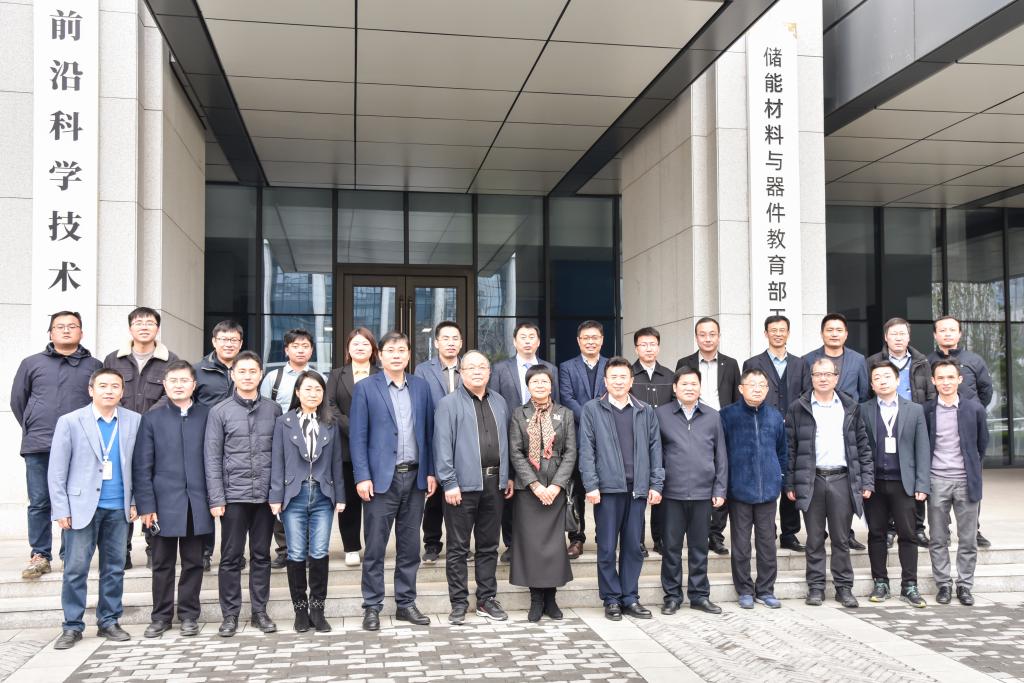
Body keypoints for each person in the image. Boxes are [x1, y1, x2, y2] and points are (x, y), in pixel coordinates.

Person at [48, 368, 141, 650]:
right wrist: (61, 508)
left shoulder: (134, 420)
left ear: (122, 391)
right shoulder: (70, 421)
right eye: (103, 386)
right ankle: (72, 626)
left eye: (115, 386)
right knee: (75, 569)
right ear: (91, 390)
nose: (109, 391)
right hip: (80, 508)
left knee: (114, 569)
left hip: (118, 508)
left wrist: (135, 501)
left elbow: (140, 466)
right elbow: (57, 469)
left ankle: (109, 621)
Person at [350, 332, 436, 632]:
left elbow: (428, 433)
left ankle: (405, 603)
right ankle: (372, 606)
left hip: (415, 478)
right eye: (391, 350)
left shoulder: (421, 387)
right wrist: (362, 476)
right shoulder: (365, 388)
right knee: (375, 547)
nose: (397, 355)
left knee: (410, 547)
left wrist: (430, 471)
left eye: (402, 350)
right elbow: (358, 437)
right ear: (380, 355)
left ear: (409, 355)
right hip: (380, 481)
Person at [11, 311, 102, 580]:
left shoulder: (94, 365)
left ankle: (69, 553)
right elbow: (18, 401)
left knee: (74, 499)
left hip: (80, 445)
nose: (66, 330)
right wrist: (33, 425)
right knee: (40, 501)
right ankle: (40, 554)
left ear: (81, 332)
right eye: (59, 326)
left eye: (72, 326)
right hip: (39, 444)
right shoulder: (31, 363)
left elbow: (100, 403)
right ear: (50, 332)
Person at [578, 356, 664, 621]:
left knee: (633, 547)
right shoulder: (593, 409)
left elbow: (655, 449)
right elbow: (587, 450)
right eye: (613, 377)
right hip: (606, 490)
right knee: (606, 548)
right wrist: (591, 485)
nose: (618, 381)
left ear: (631, 380)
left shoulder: (644, 410)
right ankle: (611, 599)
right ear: (605, 381)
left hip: (636, 489)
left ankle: (630, 597)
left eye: (623, 377)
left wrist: (656, 483)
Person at [204, 350, 282, 637]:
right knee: (230, 557)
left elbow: (280, 455)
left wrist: (277, 493)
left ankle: (260, 612)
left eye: (253, 371)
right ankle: (230, 615)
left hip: (264, 497)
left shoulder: (274, 410)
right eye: (242, 371)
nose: (247, 376)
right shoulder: (219, 411)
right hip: (233, 497)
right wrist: (216, 498)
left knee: (262, 555)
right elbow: (212, 457)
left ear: (261, 375)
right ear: (232, 375)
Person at [132, 360, 213, 638]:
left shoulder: (208, 415)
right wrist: (146, 505)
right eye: (173, 381)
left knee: (194, 562)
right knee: (162, 564)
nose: (179, 385)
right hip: (162, 504)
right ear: (165, 385)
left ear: (194, 385)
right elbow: (142, 467)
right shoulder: (151, 419)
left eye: (184, 380)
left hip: (197, 503)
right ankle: (161, 617)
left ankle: (189, 615)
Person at [786, 357, 873, 609]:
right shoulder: (798, 407)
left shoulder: (850, 406)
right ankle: (815, 587)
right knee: (814, 539)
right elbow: (790, 449)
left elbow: (863, 447)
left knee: (841, 538)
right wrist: (790, 483)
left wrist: (866, 481)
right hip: (811, 479)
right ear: (811, 378)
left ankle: (844, 588)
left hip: (842, 479)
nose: (823, 378)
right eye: (818, 374)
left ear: (836, 378)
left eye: (828, 374)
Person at [433, 350, 511, 625]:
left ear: (489, 372)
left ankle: (486, 599)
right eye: (471, 367)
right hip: (462, 486)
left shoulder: (499, 401)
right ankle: (458, 602)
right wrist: (449, 482)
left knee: (489, 545)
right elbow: (442, 446)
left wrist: (508, 476)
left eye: (482, 367)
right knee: (458, 547)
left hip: (494, 483)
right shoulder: (448, 404)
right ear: (461, 373)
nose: (477, 371)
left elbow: (507, 442)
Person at [105, 306, 180, 570]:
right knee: (122, 489)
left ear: (157, 328)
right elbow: (107, 390)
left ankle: (153, 548)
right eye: (139, 322)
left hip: (155, 434)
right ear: (130, 328)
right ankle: (120, 550)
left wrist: (146, 420)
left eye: (150, 322)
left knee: (152, 489)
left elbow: (172, 394)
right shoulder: (114, 359)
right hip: (119, 434)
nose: (144, 326)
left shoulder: (170, 360)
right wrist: (127, 419)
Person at [270, 371, 345, 633]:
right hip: (294, 495)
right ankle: (300, 612)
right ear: (297, 392)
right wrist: (275, 497)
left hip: (323, 495)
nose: (313, 394)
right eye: (308, 389)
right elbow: (277, 461)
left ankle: (318, 610)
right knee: (296, 553)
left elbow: (336, 461)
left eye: (318, 389)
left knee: (320, 552)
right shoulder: (284, 422)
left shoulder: (330, 422)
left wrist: (340, 496)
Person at [655, 366, 727, 615]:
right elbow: (655, 453)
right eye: (684, 384)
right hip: (671, 494)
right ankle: (672, 596)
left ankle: (699, 595)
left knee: (699, 548)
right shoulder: (661, 415)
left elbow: (721, 456)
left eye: (694, 383)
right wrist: (656, 486)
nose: (689, 388)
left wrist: (720, 488)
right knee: (671, 548)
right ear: (675, 388)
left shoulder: (712, 416)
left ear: (700, 387)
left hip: (703, 493)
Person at [860, 361, 930, 608]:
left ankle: (909, 585)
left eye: (887, 376)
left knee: (908, 535)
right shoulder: (863, 410)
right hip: (875, 484)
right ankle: (880, 582)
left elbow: (922, 449)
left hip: (904, 483)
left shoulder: (914, 410)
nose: (882, 381)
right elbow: (860, 447)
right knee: (876, 534)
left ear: (898, 380)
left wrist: (922, 484)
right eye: (877, 378)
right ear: (872, 384)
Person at [510, 365, 577, 622]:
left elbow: (571, 452)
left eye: (545, 381)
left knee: (554, 546)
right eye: (535, 382)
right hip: (529, 490)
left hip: (555, 488)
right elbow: (516, 452)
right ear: (528, 386)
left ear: (551, 385)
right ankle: (536, 599)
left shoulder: (565, 413)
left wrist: (556, 485)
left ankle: (551, 599)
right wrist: (535, 485)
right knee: (531, 546)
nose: (540, 385)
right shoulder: (519, 414)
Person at [488, 322, 558, 562]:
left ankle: (539, 541)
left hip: (544, 439)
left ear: (538, 342)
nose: (527, 341)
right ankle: (511, 543)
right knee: (512, 491)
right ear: (514, 341)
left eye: (532, 337)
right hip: (511, 437)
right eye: (523, 337)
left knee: (541, 489)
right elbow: (495, 402)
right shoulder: (500, 369)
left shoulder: (550, 368)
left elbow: (556, 404)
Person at [720, 368, 788, 610]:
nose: (757, 389)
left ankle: (766, 590)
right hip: (739, 490)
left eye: (762, 385)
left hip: (768, 491)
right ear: (741, 388)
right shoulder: (727, 416)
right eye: (752, 384)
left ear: (768, 390)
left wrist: (780, 478)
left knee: (767, 543)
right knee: (740, 544)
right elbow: (721, 454)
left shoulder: (775, 416)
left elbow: (782, 452)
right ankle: (745, 590)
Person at [803, 313, 870, 550]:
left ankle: (846, 532)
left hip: (848, 427)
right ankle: (818, 533)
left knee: (845, 487)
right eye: (829, 330)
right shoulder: (808, 359)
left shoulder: (858, 360)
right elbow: (803, 392)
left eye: (839, 330)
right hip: (818, 426)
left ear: (846, 334)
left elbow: (864, 393)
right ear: (822, 333)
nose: (834, 334)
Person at [866, 317, 935, 549]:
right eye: (893, 334)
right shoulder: (874, 362)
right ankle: (889, 529)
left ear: (909, 336)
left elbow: (930, 394)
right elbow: (867, 393)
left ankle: (918, 528)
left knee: (914, 475)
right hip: (884, 421)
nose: (898, 338)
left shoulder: (922, 361)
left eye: (902, 333)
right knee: (888, 478)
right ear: (886, 337)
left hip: (912, 422)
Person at [742, 314, 809, 552]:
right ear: (766, 333)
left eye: (782, 330)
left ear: (788, 333)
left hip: (792, 429)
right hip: (762, 429)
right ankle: (767, 529)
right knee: (766, 476)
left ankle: (789, 533)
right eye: (773, 330)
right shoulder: (752, 363)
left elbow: (806, 394)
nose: (778, 334)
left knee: (789, 478)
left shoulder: (800, 363)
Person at [924, 360, 988, 607]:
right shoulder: (927, 410)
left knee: (968, 538)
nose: (946, 382)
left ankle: (964, 585)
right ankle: (943, 584)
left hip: (965, 481)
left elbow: (981, 445)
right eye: (941, 378)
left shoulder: (974, 409)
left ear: (959, 380)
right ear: (933, 381)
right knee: (938, 537)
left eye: (951, 377)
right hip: (936, 480)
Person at [676, 317, 740, 557]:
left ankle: (716, 535)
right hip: (693, 424)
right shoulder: (685, 362)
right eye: (702, 334)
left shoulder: (731, 364)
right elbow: (678, 394)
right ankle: (695, 532)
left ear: (719, 336)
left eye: (712, 334)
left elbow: (736, 398)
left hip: (722, 425)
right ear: (696, 337)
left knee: (721, 476)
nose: (707, 338)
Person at [929, 315, 994, 549]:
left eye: (952, 330)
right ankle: (942, 530)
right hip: (939, 425)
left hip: (968, 427)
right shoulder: (927, 361)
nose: (947, 334)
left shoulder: (974, 360)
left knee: (972, 480)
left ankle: (973, 529)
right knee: (938, 484)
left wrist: (973, 411)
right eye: (942, 330)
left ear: (959, 334)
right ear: (935, 335)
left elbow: (986, 390)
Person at [261, 328, 320, 570]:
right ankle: (285, 549)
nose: (300, 350)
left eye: (305, 346)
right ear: (286, 350)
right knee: (283, 495)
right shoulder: (273, 378)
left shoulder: (318, 377)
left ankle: (307, 549)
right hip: (282, 443)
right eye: (295, 346)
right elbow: (264, 409)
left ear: (311, 350)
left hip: (311, 444)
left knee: (309, 496)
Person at [326, 328, 380, 567]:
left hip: (376, 445)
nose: (360, 347)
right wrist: (355, 429)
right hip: (345, 446)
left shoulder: (381, 374)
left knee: (375, 500)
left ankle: (375, 544)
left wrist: (369, 431)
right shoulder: (337, 375)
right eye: (355, 343)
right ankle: (351, 547)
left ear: (373, 349)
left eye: (365, 344)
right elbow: (330, 406)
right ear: (348, 348)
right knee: (348, 498)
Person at [194, 319, 245, 569]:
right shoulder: (198, 370)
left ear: (241, 343)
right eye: (224, 339)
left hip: (239, 445)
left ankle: (234, 553)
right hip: (206, 442)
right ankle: (204, 553)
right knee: (208, 500)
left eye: (234, 340)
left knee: (235, 505)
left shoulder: (246, 369)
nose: (229, 344)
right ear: (214, 341)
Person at [557, 320, 607, 560]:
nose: (590, 341)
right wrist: (590, 418)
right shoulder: (566, 367)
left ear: (602, 340)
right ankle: (576, 538)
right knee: (576, 490)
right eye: (586, 338)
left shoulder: (611, 365)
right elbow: (566, 398)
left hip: (606, 437)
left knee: (604, 488)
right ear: (578, 341)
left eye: (594, 337)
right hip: (576, 436)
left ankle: (604, 535)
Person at [414, 320, 463, 564]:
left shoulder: (469, 367)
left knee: (462, 496)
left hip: (464, 440)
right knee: (434, 496)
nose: (450, 343)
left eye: (455, 338)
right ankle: (432, 543)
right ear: (436, 343)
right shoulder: (423, 370)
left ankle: (459, 544)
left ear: (461, 343)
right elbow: (421, 406)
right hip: (435, 438)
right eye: (445, 338)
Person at [628, 326, 673, 558]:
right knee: (637, 494)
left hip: (664, 442)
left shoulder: (669, 375)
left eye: (652, 344)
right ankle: (637, 541)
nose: (648, 348)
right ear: (636, 348)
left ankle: (660, 539)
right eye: (643, 344)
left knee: (660, 491)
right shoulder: (628, 375)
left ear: (659, 347)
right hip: (634, 442)